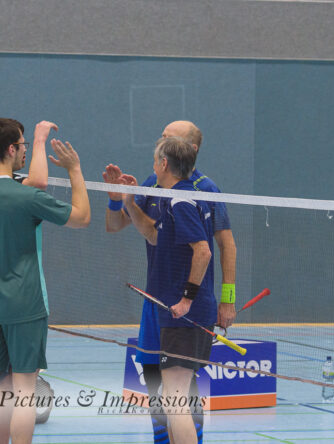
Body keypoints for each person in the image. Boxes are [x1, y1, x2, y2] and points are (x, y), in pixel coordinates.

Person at [0, 117, 90, 444]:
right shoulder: (26, 198)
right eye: (22, 145)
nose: (25, 151)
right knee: (23, 390)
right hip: (26, 308)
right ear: (11, 149)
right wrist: (75, 170)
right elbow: (82, 217)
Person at [103, 120, 236, 444]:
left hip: (184, 304)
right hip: (158, 300)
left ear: (187, 150)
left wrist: (227, 298)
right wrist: (121, 200)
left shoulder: (202, 191)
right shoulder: (155, 184)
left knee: (180, 388)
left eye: (166, 139)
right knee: (157, 381)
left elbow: (220, 246)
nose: (159, 142)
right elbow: (142, 231)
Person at [121, 137, 215, 444]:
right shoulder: (173, 199)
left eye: (154, 160)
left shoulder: (181, 202)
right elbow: (153, 236)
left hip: (184, 314)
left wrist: (187, 298)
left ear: (164, 164)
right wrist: (129, 203)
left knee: (175, 398)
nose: (152, 166)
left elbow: (203, 251)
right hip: (175, 313)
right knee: (171, 397)